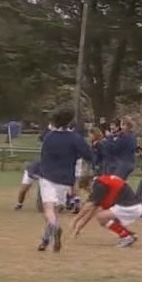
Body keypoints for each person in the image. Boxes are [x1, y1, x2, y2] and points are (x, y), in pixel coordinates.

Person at [38, 106, 93, 252]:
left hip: (47, 176)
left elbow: (43, 156)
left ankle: (54, 229)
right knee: (55, 211)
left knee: (49, 209)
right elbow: (88, 155)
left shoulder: (49, 137)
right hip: (65, 179)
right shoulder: (75, 138)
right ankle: (44, 240)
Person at [70, 175, 142, 248]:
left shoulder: (99, 185)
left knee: (101, 217)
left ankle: (126, 236)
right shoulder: (103, 182)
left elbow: (89, 206)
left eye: (87, 188)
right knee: (104, 216)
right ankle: (130, 235)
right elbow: (92, 210)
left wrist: (75, 219)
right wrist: (79, 227)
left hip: (129, 207)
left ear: (89, 182)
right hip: (133, 206)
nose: (89, 190)